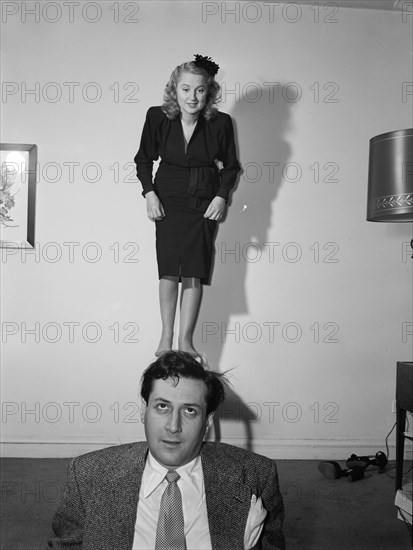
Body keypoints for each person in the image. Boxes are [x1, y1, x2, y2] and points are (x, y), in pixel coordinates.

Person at [48, 351, 285, 549]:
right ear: (144, 410)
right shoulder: (88, 474)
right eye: (162, 406)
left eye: (189, 411)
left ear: (208, 421)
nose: (173, 426)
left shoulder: (256, 475)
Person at [134, 55, 241, 357]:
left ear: (209, 92)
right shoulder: (157, 117)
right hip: (167, 198)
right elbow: (143, 159)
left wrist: (221, 196)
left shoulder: (220, 123)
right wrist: (149, 193)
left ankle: (185, 340)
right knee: (169, 270)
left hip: (204, 200)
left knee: (193, 271)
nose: (192, 97)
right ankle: (166, 337)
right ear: (174, 90)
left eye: (200, 90)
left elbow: (231, 167)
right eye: (185, 89)